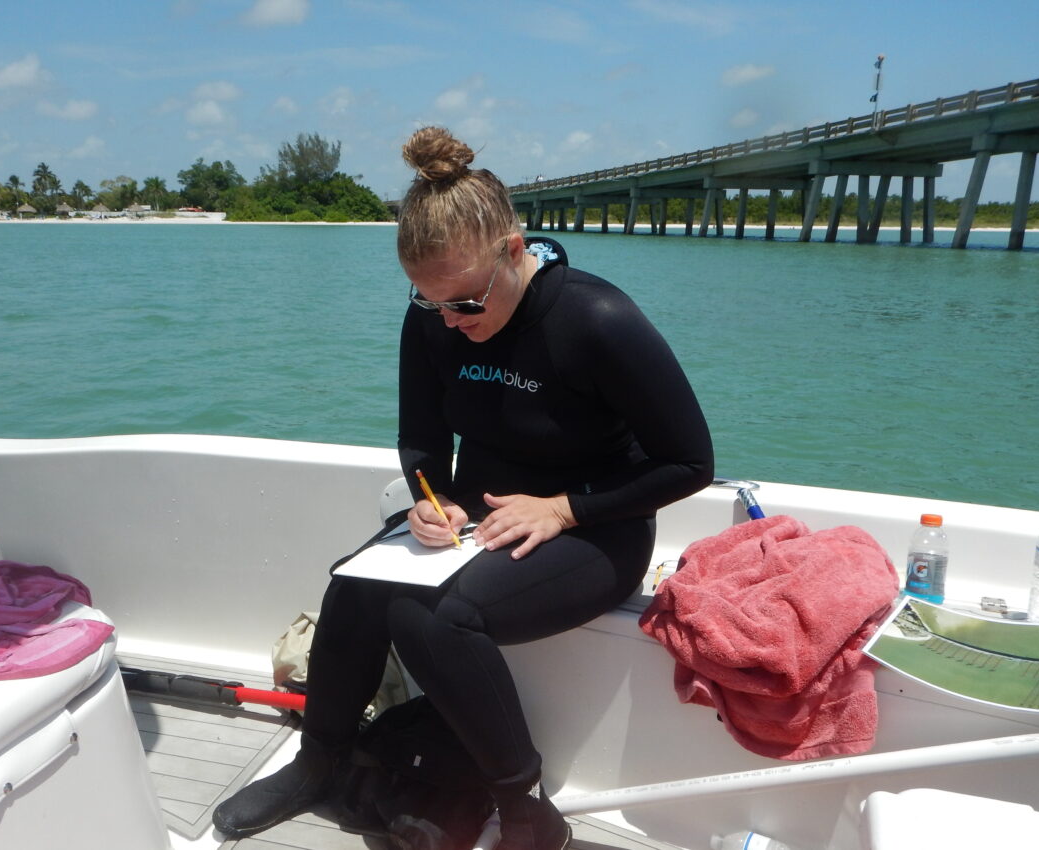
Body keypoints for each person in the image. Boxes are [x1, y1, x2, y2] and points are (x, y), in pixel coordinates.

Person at [213, 127, 714, 849]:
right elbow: (420, 435)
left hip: (599, 526)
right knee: (354, 586)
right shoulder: (433, 316)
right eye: (431, 304)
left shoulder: (597, 320)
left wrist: (564, 508)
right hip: (474, 520)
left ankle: (527, 812)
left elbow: (688, 462)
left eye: (467, 304)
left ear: (515, 250)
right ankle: (318, 761)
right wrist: (430, 495)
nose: (451, 322)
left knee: (435, 619)